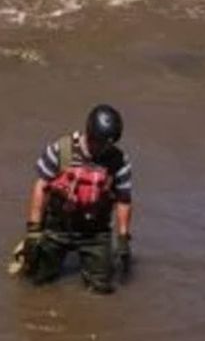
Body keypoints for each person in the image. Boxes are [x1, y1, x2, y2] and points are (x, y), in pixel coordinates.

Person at [18, 104, 134, 294]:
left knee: (102, 288)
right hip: (57, 226)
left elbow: (124, 200)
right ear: (89, 133)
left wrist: (123, 238)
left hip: (95, 232)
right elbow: (41, 188)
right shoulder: (59, 150)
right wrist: (33, 230)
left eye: (108, 143)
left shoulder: (119, 162)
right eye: (99, 142)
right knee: (36, 281)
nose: (103, 147)